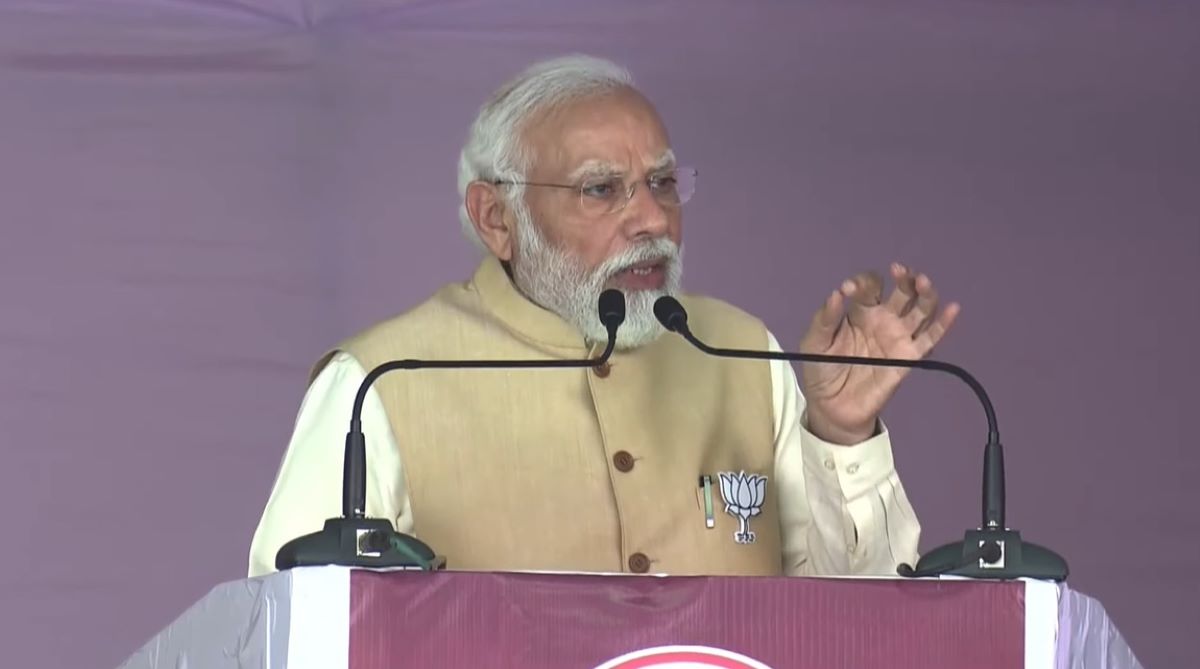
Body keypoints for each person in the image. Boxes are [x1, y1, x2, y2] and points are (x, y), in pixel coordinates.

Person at [247, 54, 959, 579]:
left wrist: (839, 433)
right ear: (498, 218)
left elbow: (860, 619)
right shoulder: (380, 382)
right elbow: (291, 632)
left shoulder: (741, 354)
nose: (652, 217)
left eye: (662, 183)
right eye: (601, 189)